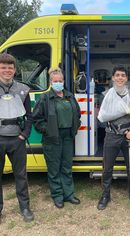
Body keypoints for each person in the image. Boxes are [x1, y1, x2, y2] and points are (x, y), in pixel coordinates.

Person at [97, 65, 130, 210]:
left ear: (126, 78)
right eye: (117, 75)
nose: (120, 77)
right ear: (113, 78)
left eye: (123, 75)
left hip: (128, 135)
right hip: (112, 135)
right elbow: (102, 117)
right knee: (107, 168)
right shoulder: (105, 95)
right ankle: (105, 195)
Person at [32, 67, 81, 209]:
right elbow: (37, 119)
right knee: (54, 169)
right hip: (52, 137)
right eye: (55, 81)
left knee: (66, 167)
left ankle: (69, 194)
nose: (58, 83)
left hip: (67, 137)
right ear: (50, 82)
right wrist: (47, 130)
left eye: (60, 81)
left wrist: (76, 125)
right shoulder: (44, 98)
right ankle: (58, 196)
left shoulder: (70, 96)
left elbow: (77, 113)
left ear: (64, 81)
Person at [0, 53, 34, 222]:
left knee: (20, 175)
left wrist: (24, 134)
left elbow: (30, 116)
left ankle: (25, 207)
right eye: (3, 67)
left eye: (10, 67)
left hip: (17, 139)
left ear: (15, 69)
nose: (7, 70)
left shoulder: (23, 89)